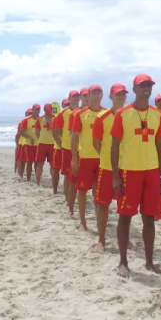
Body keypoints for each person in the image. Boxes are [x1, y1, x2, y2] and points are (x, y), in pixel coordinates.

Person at [110, 75, 161, 276]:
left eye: (149, 85)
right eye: (143, 86)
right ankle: (123, 261)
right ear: (134, 89)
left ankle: (150, 262)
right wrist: (116, 176)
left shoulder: (157, 115)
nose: (147, 89)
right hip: (128, 171)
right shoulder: (123, 114)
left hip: (150, 172)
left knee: (149, 218)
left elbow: (160, 146)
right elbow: (114, 146)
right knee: (125, 217)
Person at [91, 83, 128, 251]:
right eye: (118, 94)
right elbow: (96, 143)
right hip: (106, 167)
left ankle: (124, 238)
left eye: (123, 94)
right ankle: (101, 239)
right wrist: (107, 157)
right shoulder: (102, 117)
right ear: (111, 97)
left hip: (127, 167)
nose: (121, 96)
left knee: (125, 207)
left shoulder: (130, 115)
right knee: (103, 204)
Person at [71, 85, 105, 231]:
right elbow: (74, 137)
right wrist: (75, 160)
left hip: (102, 159)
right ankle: (83, 221)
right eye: (93, 93)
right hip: (85, 157)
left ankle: (99, 221)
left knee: (99, 192)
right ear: (88, 96)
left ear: (102, 95)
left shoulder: (106, 113)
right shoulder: (80, 114)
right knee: (82, 190)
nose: (96, 96)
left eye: (99, 93)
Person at [52, 91, 79, 199]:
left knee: (78, 175)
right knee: (67, 175)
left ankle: (73, 196)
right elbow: (56, 131)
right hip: (67, 148)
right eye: (73, 97)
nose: (76, 98)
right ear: (69, 98)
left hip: (81, 149)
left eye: (77, 96)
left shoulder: (82, 111)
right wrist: (62, 142)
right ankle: (68, 198)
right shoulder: (62, 114)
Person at [18, 105, 41, 182]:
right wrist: (30, 137)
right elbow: (21, 132)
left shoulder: (41, 119)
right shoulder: (26, 120)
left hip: (38, 144)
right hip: (28, 144)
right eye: (36, 109)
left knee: (37, 163)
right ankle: (28, 178)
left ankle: (37, 179)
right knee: (29, 162)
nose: (37, 111)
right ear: (33, 110)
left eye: (38, 109)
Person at [35, 103, 56, 187]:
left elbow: (54, 129)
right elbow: (37, 132)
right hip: (42, 144)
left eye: (49, 111)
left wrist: (48, 120)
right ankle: (38, 182)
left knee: (52, 165)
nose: (48, 113)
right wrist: (40, 139)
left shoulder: (55, 118)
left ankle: (54, 182)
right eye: (47, 111)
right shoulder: (39, 119)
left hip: (52, 144)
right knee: (40, 164)